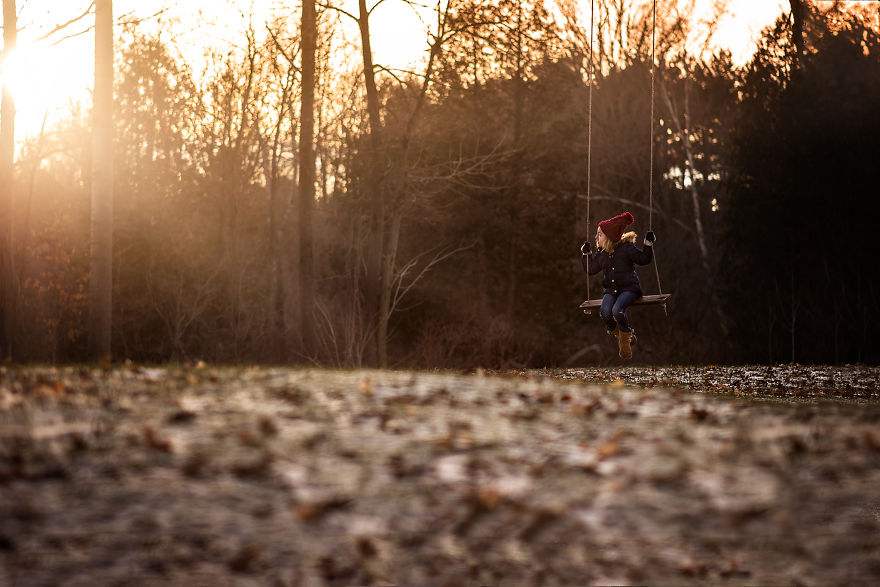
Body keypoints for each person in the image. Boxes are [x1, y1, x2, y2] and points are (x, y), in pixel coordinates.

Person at [581, 212, 656, 359]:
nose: (596, 238)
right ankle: (626, 333)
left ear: (609, 236)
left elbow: (644, 259)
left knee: (617, 310)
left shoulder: (626, 249)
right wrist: (586, 254)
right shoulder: (602, 254)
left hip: (630, 289)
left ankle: (624, 341)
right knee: (605, 312)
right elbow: (591, 269)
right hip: (611, 291)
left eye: (599, 235)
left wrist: (648, 244)